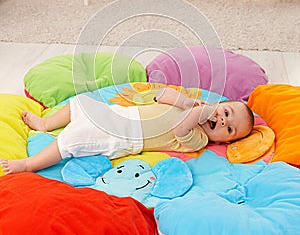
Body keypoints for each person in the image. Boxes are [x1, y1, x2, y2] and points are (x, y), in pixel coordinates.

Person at [0, 88, 254, 174]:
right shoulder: (191, 104)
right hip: (121, 114)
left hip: (123, 137)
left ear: (224, 139)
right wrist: (187, 102)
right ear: (219, 104)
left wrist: (199, 112)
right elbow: (159, 95)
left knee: (72, 141)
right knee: (81, 103)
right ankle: (46, 124)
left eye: (229, 129)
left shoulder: (197, 140)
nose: (222, 122)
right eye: (226, 113)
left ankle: (28, 164)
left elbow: (180, 127)